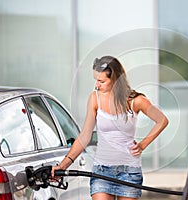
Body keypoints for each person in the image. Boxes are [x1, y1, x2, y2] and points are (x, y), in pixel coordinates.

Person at [51, 55, 168, 200]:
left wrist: (143, 144)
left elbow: (162, 120)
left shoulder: (136, 101)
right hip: (102, 171)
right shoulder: (95, 98)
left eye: (101, 81)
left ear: (115, 79)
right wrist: (63, 166)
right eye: (96, 80)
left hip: (129, 172)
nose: (97, 85)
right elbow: (84, 136)